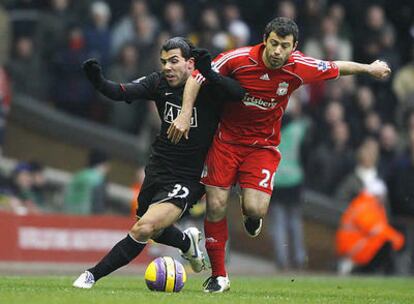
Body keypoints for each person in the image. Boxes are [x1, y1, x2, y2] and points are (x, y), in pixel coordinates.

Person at [168, 17, 391, 292]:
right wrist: (184, 113)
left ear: (293, 47)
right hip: (225, 141)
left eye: (284, 46)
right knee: (215, 205)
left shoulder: (300, 67)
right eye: (273, 43)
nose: (276, 51)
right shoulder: (238, 59)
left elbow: (337, 67)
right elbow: (196, 78)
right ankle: (219, 276)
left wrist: (370, 68)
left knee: (255, 208)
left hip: (262, 147)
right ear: (265, 39)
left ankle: (252, 215)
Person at [72, 37, 245, 288]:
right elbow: (121, 92)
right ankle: (188, 244)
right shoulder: (158, 82)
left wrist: (209, 73)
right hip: (158, 167)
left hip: (189, 176)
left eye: (174, 61)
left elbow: (239, 93)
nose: (167, 67)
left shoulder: (208, 87)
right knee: (148, 221)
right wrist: (98, 81)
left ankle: (91, 276)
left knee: (144, 227)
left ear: (190, 63)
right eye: (164, 61)